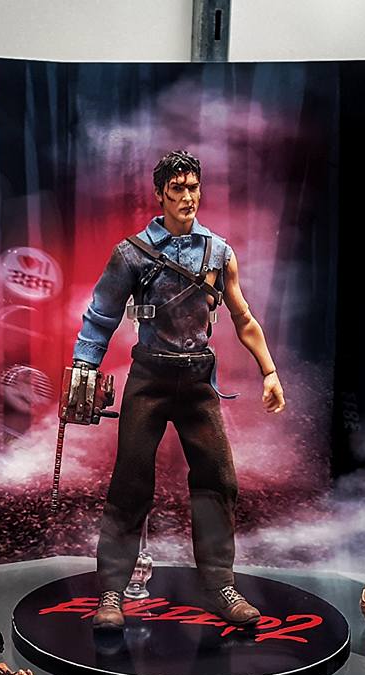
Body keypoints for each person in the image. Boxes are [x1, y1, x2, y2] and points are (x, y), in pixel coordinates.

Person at [71, 150, 285, 630]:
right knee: (130, 484)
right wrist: (84, 368)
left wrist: (269, 371)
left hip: (197, 382)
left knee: (218, 481)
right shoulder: (132, 253)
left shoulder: (218, 253)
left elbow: (243, 318)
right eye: (177, 189)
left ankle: (219, 584)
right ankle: (112, 590)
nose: (187, 197)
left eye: (193, 187)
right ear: (160, 194)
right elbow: (101, 316)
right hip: (149, 379)